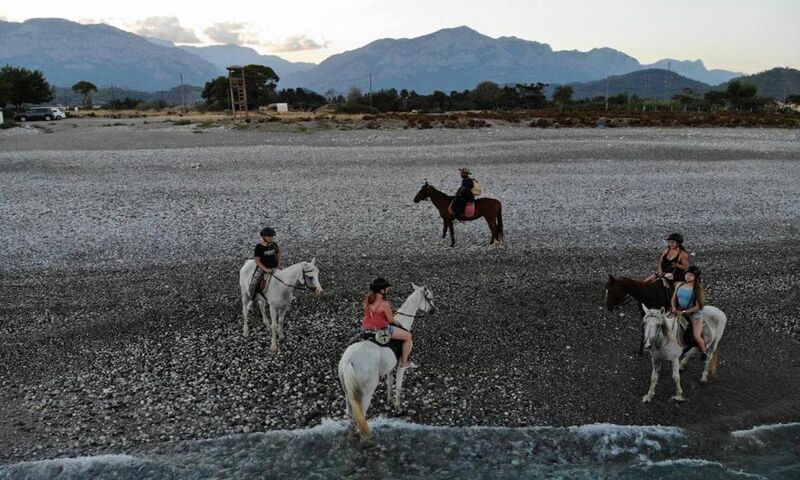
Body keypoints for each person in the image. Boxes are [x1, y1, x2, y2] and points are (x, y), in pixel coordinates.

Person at [362, 277, 417, 369]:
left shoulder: (367, 300)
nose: (388, 289)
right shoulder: (384, 304)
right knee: (408, 336)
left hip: (366, 330)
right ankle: (404, 363)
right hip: (380, 331)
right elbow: (391, 320)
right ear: (382, 290)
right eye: (386, 288)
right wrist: (398, 324)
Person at [671, 265, 706, 356]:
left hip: (694, 314)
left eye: (691, 275)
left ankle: (704, 353)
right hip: (679, 311)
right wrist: (674, 307)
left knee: (696, 336)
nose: (688, 276)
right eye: (687, 274)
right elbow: (673, 298)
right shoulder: (680, 285)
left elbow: (698, 307)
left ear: (695, 277)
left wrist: (684, 312)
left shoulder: (697, 289)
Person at [248, 227, 283, 300]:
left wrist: (279, 264)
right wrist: (266, 269)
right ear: (264, 236)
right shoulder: (259, 246)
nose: (271, 238)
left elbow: (279, 254)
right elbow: (257, 261)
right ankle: (252, 298)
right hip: (263, 268)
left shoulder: (274, 244)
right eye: (269, 236)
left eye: (272, 236)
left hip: (275, 266)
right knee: (254, 283)